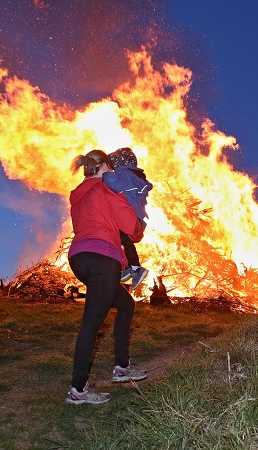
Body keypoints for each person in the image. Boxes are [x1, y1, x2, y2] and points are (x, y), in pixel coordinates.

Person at [66, 149, 148, 405]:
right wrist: (139, 223)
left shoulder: (78, 195)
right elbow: (132, 230)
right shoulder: (106, 189)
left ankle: (122, 368)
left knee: (126, 305)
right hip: (103, 259)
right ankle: (77, 390)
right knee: (91, 323)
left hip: (79, 258)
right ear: (105, 168)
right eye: (112, 169)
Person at [103, 147, 153, 290]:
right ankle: (129, 268)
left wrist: (105, 175)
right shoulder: (136, 176)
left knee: (117, 237)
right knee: (123, 239)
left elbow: (114, 183)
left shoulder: (124, 174)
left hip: (129, 215)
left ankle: (135, 268)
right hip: (137, 216)